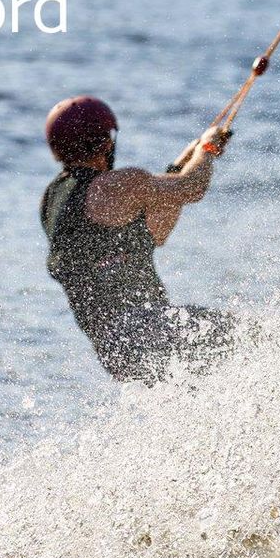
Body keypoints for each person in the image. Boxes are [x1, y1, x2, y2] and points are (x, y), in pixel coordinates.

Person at [40, 95, 236, 383]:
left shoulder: (52, 200)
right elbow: (193, 187)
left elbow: (156, 230)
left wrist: (187, 160)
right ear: (107, 143)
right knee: (256, 340)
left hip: (114, 352)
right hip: (148, 330)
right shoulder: (117, 185)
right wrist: (207, 147)